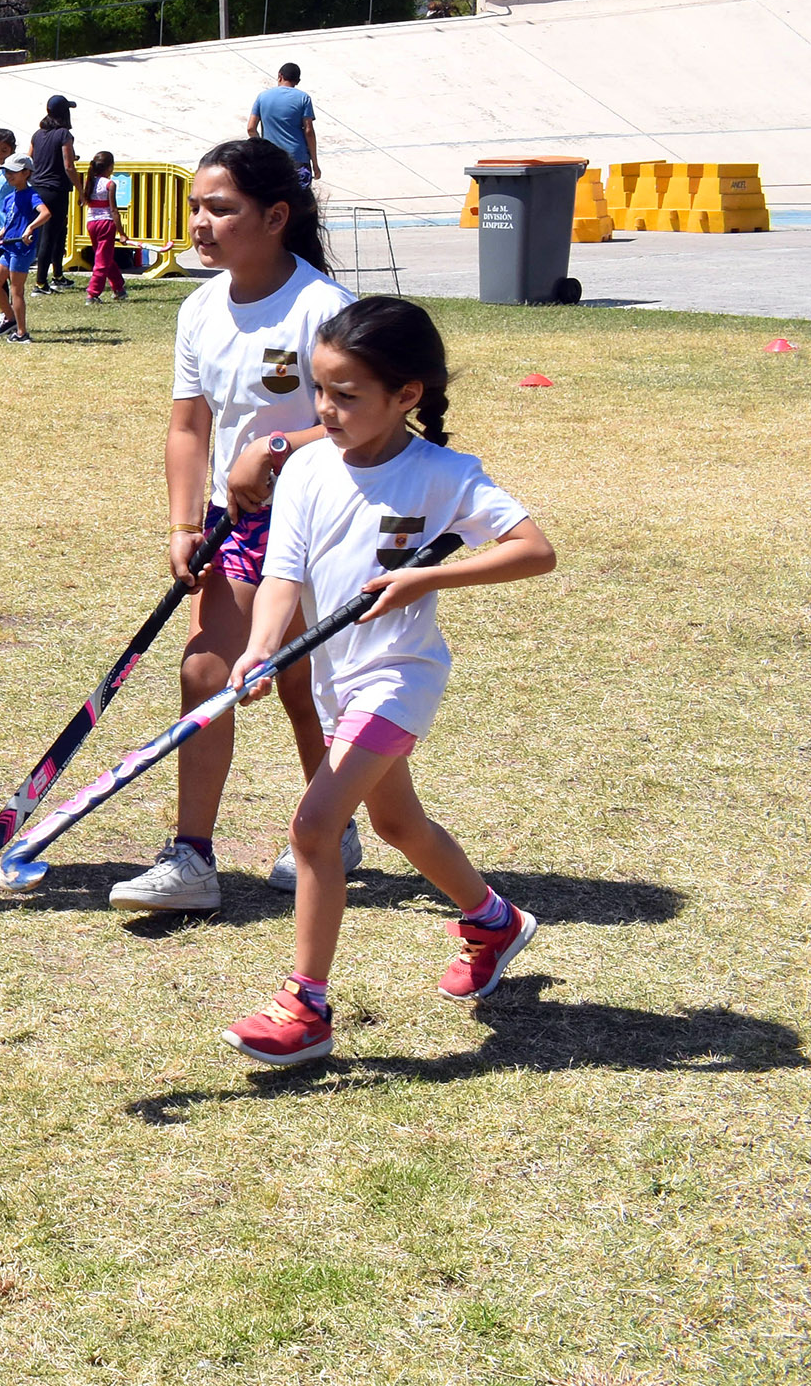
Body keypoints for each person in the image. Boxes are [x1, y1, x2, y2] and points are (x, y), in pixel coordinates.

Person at [220, 296, 555, 1065]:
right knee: (401, 825)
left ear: (408, 395)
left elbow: (535, 551)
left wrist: (427, 577)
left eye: (346, 394)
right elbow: (282, 575)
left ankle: (304, 1008)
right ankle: (493, 919)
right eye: (319, 389)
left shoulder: (444, 475)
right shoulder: (304, 467)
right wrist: (260, 649)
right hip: (339, 679)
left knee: (314, 826)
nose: (325, 409)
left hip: (399, 675)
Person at [111, 138, 359, 914]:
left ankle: (336, 822)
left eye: (221, 208)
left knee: (303, 686)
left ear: (276, 216)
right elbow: (190, 426)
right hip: (237, 525)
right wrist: (184, 521)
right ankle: (191, 858)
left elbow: (375, 420)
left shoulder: (324, 308)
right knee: (204, 672)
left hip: (325, 520)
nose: (201, 223)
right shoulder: (198, 309)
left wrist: (279, 446)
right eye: (195, 208)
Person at [0, 156, 43, 343]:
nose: (8, 175)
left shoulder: (31, 194)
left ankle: (21, 332)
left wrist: (30, 228)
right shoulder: (10, 198)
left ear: (26, 173)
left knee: (16, 290)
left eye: (13, 171)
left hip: (21, 249)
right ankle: (10, 318)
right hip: (9, 247)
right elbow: (8, 225)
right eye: (6, 171)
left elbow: (46, 213)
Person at [28, 95, 77, 295]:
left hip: (38, 188)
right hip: (56, 190)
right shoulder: (64, 134)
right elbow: (69, 165)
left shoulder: (37, 135)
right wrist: (81, 190)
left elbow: (29, 159)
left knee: (57, 234)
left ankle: (57, 275)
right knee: (51, 236)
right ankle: (41, 283)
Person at [247, 62, 319, 185]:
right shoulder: (304, 98)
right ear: (297, 81)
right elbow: (308, 131)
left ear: (280, 76)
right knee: (299, 200)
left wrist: (263, 148)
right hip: (298, 157)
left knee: (274, 197)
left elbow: (251, 128)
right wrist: (315, 164)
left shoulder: (262, 97)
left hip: (271, 158)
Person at [83, 149, 128, 302]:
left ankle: (119, 286)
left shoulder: (89, 182)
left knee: (104, 256)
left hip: (91, 223)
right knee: (102, 260)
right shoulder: (110, 184)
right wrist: (122, 232)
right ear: (110, 167)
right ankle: (93, 293)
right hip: (106, 223)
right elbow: (114, 210)